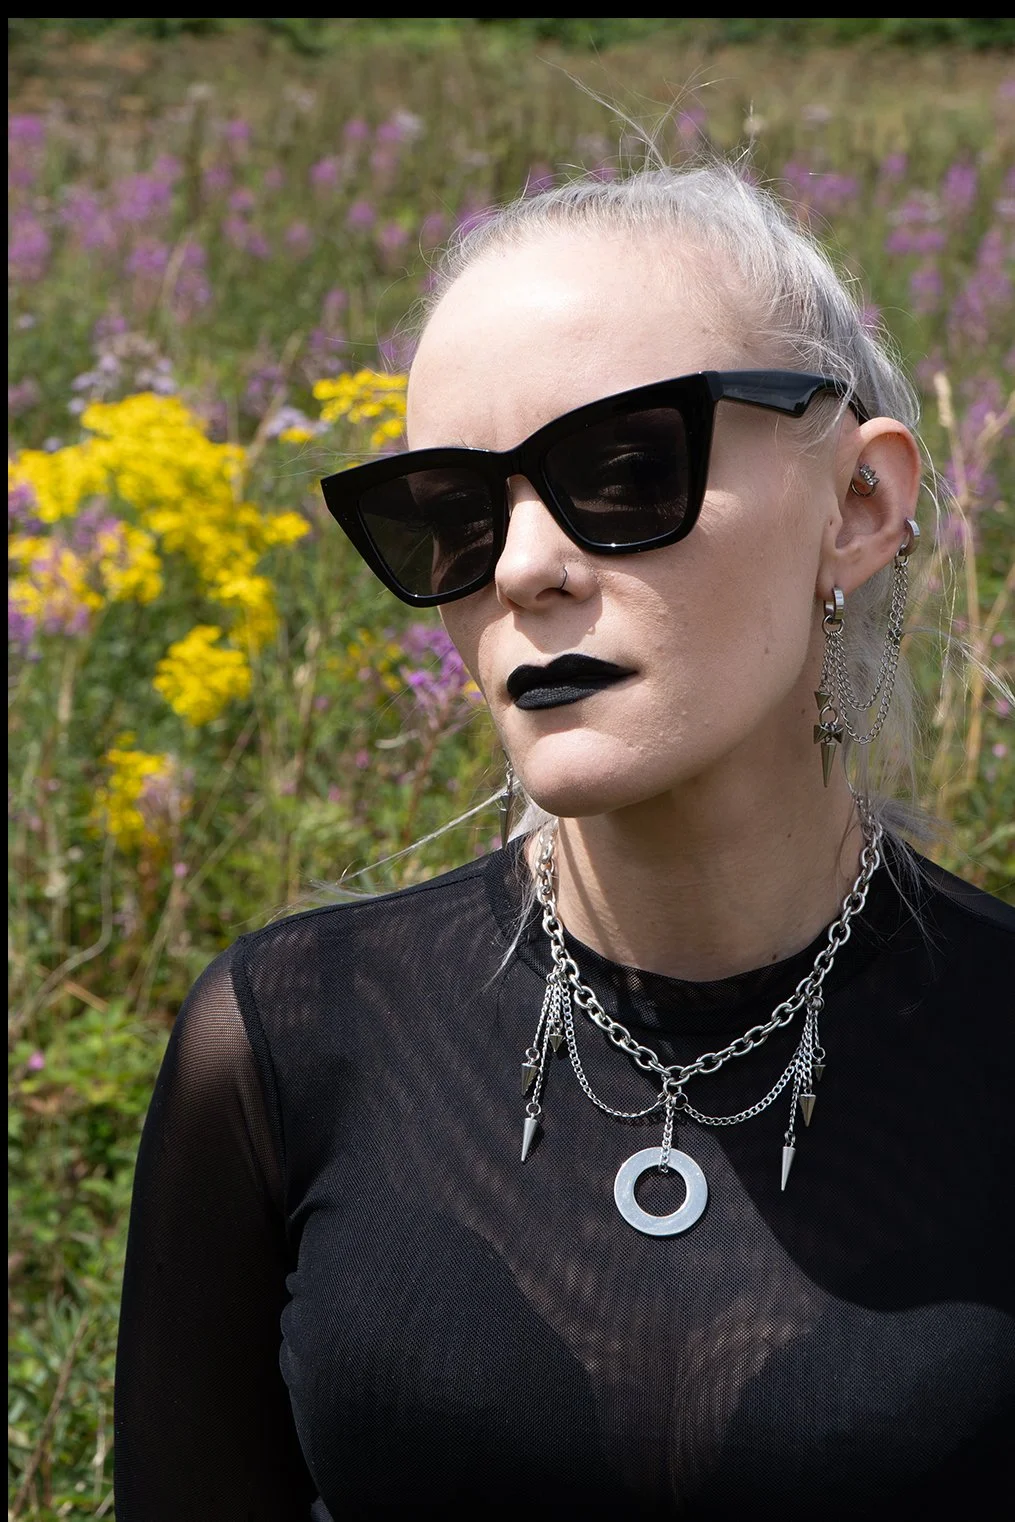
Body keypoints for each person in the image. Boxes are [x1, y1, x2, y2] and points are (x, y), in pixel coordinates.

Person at [113, 147, 1014, 1521]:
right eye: (450, 514)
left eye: (625, 466)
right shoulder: (285, 1043)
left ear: (857, 504)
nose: (524, 566)